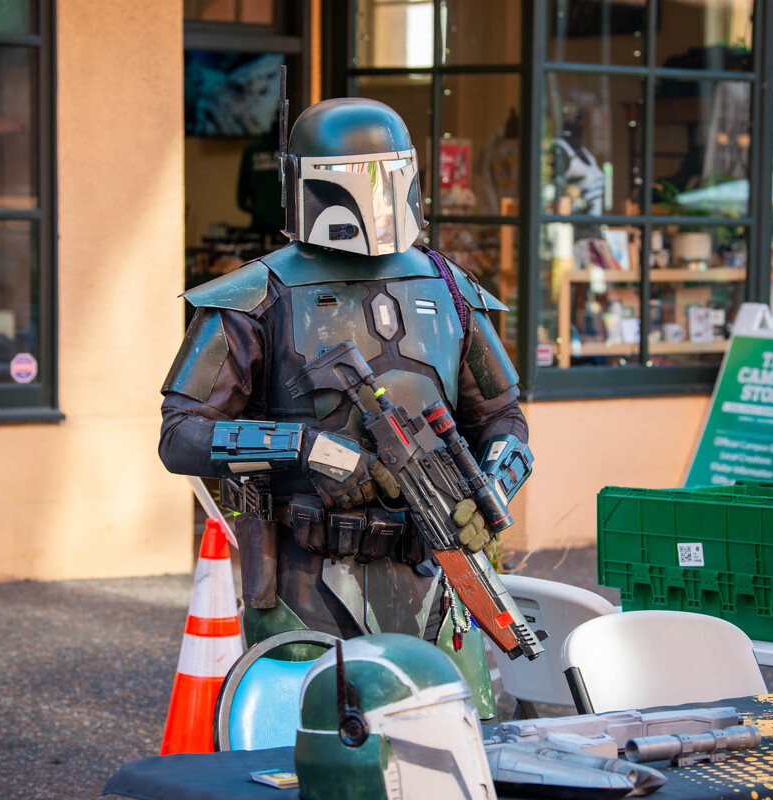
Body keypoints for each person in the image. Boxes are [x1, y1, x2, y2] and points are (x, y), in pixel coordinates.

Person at [158, 97, 533, 717]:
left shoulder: (451, 288)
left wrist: (490, 484)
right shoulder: (258, 296)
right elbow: (183, 436)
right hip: (307, 581)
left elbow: (503, 420)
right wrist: (312, 451)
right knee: (315, 753)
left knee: (459, 746)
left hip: (435, 573)